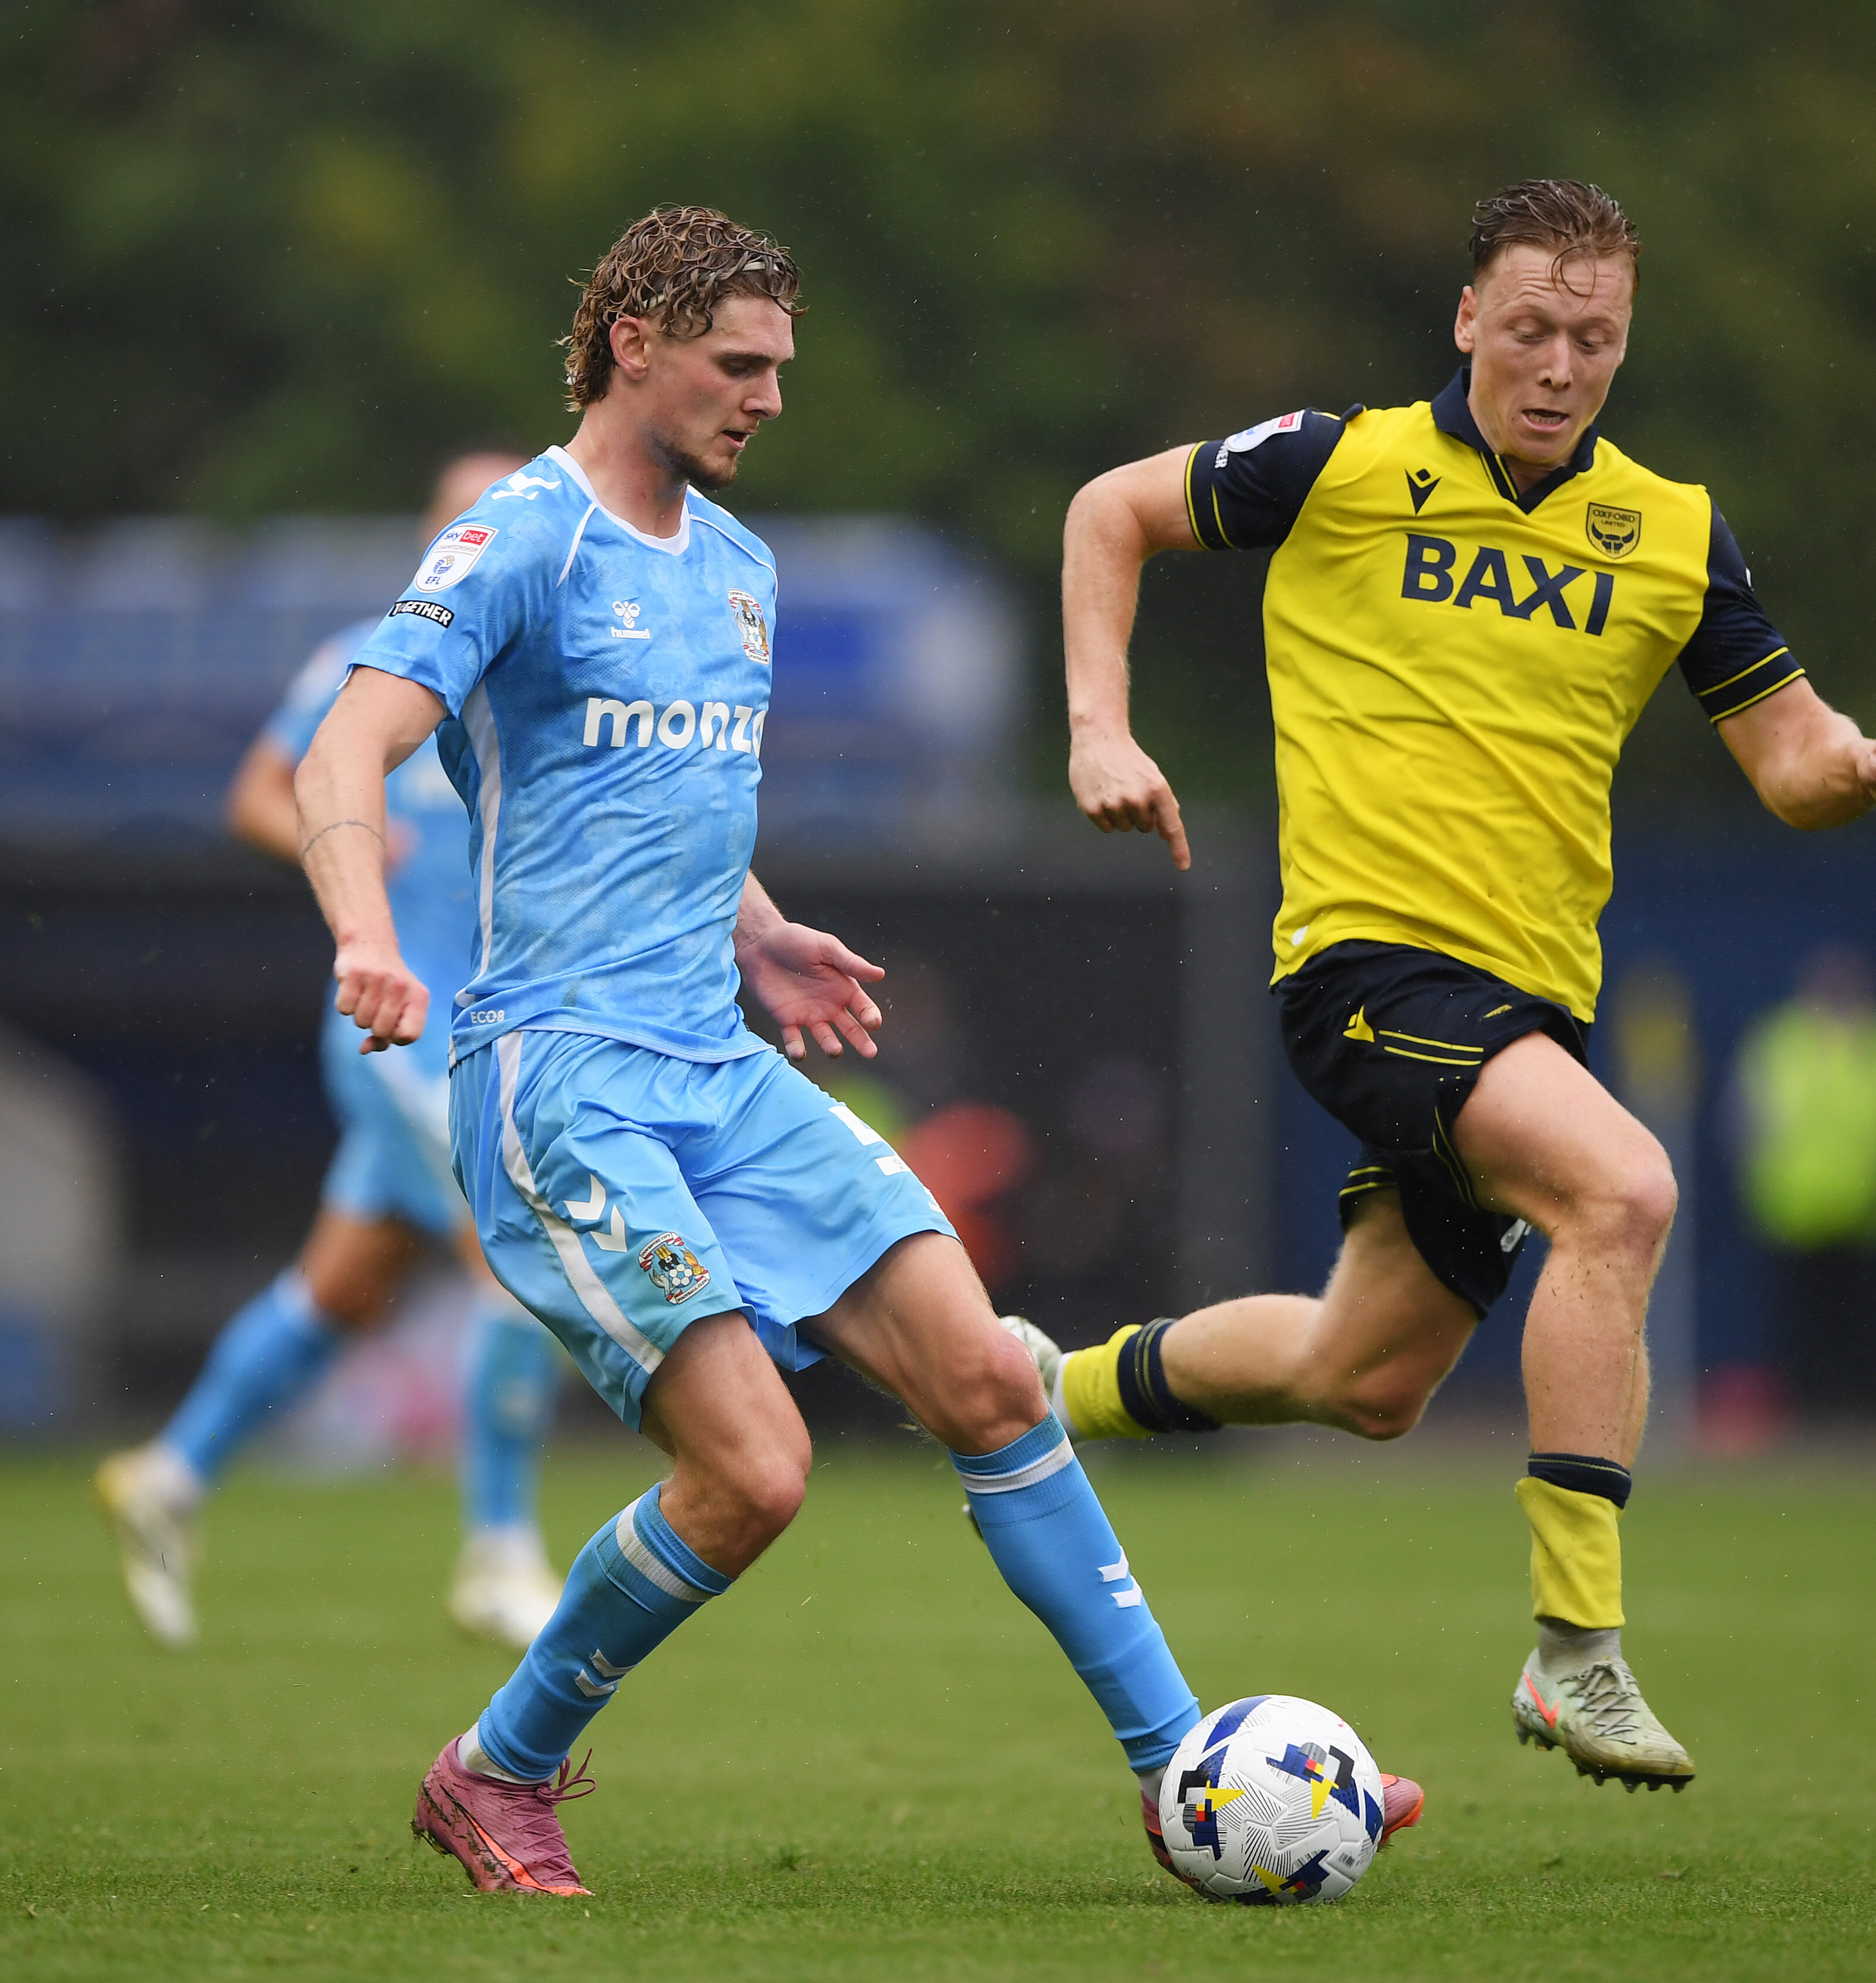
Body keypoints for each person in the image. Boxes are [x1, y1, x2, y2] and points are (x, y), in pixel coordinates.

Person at [290, 206, 1420, 1897]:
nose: (764, 397)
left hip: (721, 1068)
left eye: (777, 369)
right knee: (753, 1474)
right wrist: (368, 935)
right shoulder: (517, 541)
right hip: (563, 1083)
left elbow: (654, 793)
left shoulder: (736, 571)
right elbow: (343, 751)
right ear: (630, 345)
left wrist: (752, 926)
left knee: (982, 1375)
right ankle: (493, 1771)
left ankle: (1180, 1768)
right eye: (737, 365)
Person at [1020, 179, 1876, 1793]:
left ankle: (1037, 1387)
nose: (1559, 364)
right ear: (1465, 318)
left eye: (1593, 337)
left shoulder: (1669, 529)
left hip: (1528, 1003)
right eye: (1529, 327)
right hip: (1365, 964)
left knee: (1357, 1377)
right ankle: (1573, 1652)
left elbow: (1783, 762)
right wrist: (1100, 727)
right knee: (1624, 1190)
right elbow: (1109, 509)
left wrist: (1857, 764)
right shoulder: (1342, 462)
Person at [96, 449, 573, 1653]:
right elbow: (260, 792)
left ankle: (172, 1471)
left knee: (342, 1286)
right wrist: (345, 842)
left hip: (495, 1026)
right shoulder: (376, 660)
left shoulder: (550, 672)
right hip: (400, 1023)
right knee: (517, 1247)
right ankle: (499, 1545)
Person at [1733, 945, 1876, 1421]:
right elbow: (1747, 1119)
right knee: (1803, 1324)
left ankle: (1868, 1412)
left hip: (1868, 1209)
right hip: (1795, 1208)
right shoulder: (1782, 1041)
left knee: (1867, 1324)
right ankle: (1811, 1411)